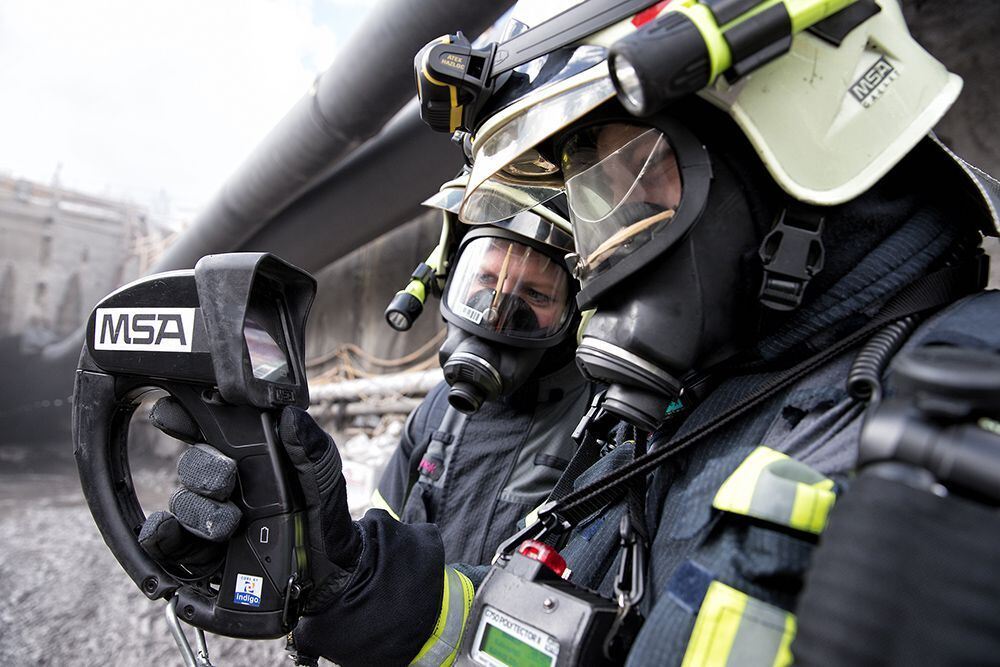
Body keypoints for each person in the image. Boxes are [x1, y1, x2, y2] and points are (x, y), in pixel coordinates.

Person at [139, 1, 1000, 664]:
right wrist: (353, 579)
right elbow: (546, 635)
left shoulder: (957, 426)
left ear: (792, 157)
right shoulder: (703, 406)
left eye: (626, 180)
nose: (597, 254)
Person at [373, 181, 598, 564]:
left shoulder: (600, 428)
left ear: (577, 312)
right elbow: (376, 547)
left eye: (535, 295)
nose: (497, 310)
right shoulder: (435, 409)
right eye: (486, 280)